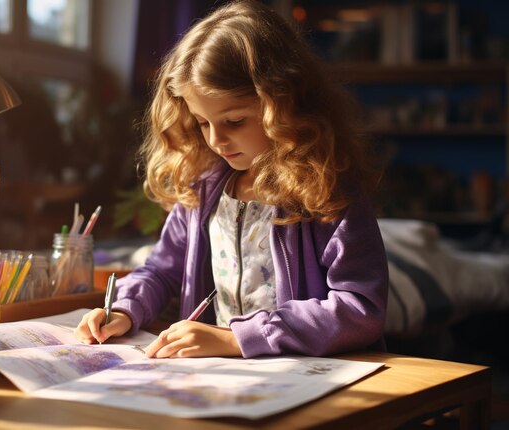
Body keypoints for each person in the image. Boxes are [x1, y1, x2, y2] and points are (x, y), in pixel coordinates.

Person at [75, 0, 388, 358]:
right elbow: (161, 271)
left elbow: (359, 307)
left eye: (234, 121)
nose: (215, 140)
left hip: (307, 377)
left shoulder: (326, 191)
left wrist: (236, 338)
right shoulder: (204, 187)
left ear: (283, 103)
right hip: (220, 379)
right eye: (202, 122)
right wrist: (123, 309)